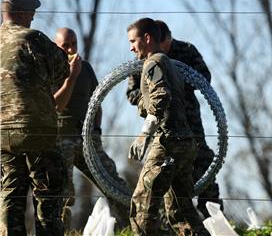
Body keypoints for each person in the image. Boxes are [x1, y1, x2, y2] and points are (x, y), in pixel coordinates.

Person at [126, 19, 223, 218]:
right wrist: (150, 102)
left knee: (202, 164)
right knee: (163, 177)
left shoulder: (184, 51)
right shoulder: (143, 60)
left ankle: (214, 218)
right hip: (161, 124)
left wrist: (174, 85)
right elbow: (132, 93)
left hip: (190, 122)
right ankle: (165, 222)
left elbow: (203, 78)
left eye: (166, 47)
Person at [0, 0, 73, 235]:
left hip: (2, 133)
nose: (32, 18)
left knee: (10, 194)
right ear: (21, 13)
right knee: (47, 195)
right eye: (31, 13)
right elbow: (63, 69)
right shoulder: (32, 38)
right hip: (35, 130)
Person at [53, 27, 131, 230]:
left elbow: (96, 103)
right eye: (65, 46)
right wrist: (71, 76)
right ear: (56, 47)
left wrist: (96, 131)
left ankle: (131, 227)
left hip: (87, 138)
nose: (70, 49)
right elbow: (55, 105)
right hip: (62, 138)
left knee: (113, 183)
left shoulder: (85, 68)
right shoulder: (51, 69)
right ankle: (62, 231)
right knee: (63, 194)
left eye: (73, 44)